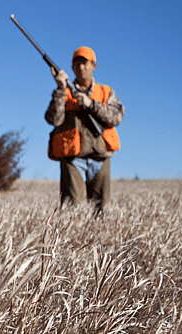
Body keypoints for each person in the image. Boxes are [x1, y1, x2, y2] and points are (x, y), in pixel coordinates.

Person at [45, 46, 124, 213]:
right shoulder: (64, 92)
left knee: (103, 211)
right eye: (77, 64)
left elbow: (116, 117)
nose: (81, 67)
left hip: (100, 157)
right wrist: (60, 89)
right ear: (72, 68)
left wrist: (91, 104)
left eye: (85, 63)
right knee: (73, 211)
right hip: (73, 160)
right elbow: (53, 119)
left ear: (93, 66)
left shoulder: (105, 91)